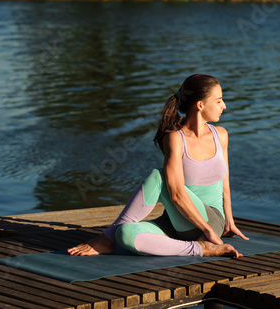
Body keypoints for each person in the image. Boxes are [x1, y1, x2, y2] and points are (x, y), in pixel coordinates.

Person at [68, 74, 248, 257]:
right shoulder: (176, 139)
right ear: (200, 105)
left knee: (158, 176)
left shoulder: (221, 135)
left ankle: (107, 239)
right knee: (125, 234)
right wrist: (207, 236)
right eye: (218, 101)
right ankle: (199, 248)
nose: (224, 106)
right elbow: (176, 195)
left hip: (210, 221)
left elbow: (224, 183)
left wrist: (227, 223)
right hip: (176, 221)